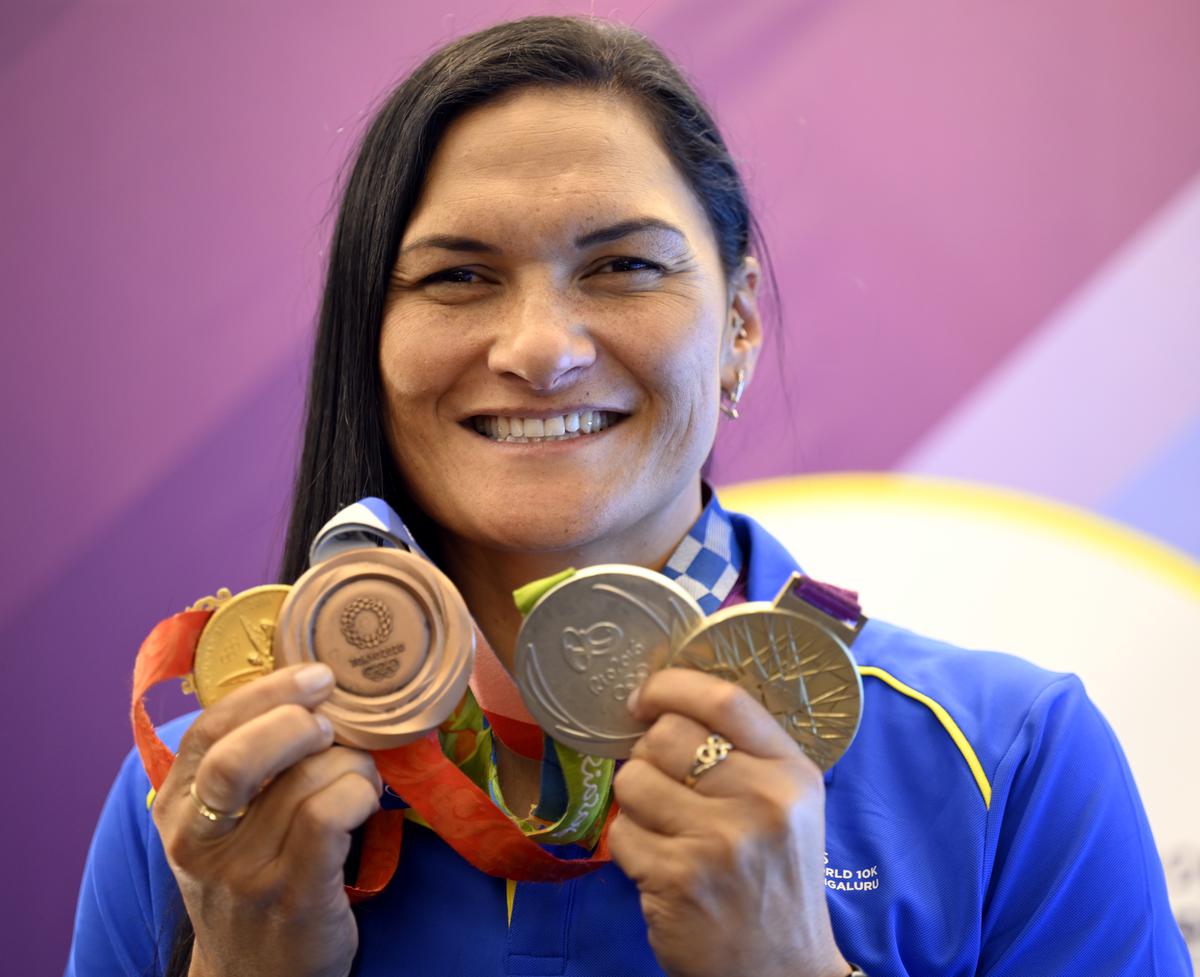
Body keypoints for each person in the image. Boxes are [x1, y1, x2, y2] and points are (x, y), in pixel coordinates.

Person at [67, 15, 1190, 977]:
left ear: (739, 327)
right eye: (458, 276)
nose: (541, 347)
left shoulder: (1016, 760)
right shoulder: (216, 791)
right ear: (375, 339)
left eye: (623, 266)